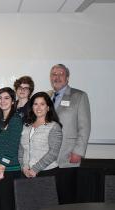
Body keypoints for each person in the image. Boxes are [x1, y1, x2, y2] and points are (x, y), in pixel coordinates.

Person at [48, 64, 91, 204]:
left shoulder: (79, 96)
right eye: (54, 74)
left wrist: (78, 151)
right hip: (46, 158)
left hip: (67, 156)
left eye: (60, 74)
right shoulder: (46, 96)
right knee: (49, 198)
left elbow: (84, 127)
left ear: (67, 77)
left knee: (66, 198)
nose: (57, 77)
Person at [0, 87, 23, 210]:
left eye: (7, 98)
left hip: (9, 171)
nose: (3, 101)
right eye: (0, 98)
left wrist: (1, 166)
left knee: (7, 206)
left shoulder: (16, 120)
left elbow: (13, 146)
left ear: (13, 101)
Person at [19, 92, 63, 178]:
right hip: (26, 173)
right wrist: (23, 166)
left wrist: (35, 169)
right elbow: (21, 149)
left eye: (42, 104)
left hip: (47, 173)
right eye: (35, 104)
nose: (38, 107)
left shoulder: (54, 126)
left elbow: (53, 153)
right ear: (32, 107)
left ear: (48, 107)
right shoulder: (26, 125)